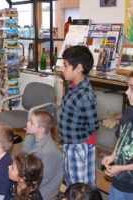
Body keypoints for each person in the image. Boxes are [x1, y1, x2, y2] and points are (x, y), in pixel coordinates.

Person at [59, 45, 99, 187]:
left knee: (79, 185)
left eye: (66, 66)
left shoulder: (85, 95)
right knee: (73, 179)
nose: (63, 69)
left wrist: (84, 143)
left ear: (79, 68)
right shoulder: (73, 87)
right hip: (71, 143)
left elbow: (94, 124)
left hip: (79, 145)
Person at [101, 71, 133, 200]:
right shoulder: (128, 112)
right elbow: (121, 136)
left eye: (132, 88)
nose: (126, 92)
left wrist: (121, 168)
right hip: (119, 181)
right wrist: (113, 156)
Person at [22, 110, 63, 200]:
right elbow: (23, 157)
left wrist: (22, 182)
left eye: (31, 123)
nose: (27, 124)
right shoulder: (31, 136)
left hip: (43, 192)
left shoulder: (49, 151)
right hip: (30, 179)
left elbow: (43, 179)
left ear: (41, 130)